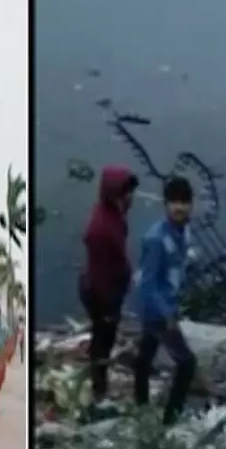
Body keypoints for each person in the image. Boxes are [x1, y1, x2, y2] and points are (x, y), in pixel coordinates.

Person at [133, 176, 197, 426]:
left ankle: (141, 406)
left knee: (146, 355)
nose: (179, 207)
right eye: (174, 202)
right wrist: (167, 313)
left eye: (184, 202)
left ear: (191, 204)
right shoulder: (156, 239)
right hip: (157, 309)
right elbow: (147, 283)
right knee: (187, 363)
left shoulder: (182, 231)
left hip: (166, 302)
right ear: (166, 204)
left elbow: (177, 267)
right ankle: (171, 419)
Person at [79, 165, 139, 401]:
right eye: (126, 192)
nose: (131, 197)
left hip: (108, 287)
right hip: (102, 293)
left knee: (104, 338)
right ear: (115, 194)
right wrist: (108, 308)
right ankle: (99, 387)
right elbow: (102, 273)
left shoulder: (113, 214)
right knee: (104, 339)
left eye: (131, 192)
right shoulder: (102, 228)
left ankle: (99, 381)